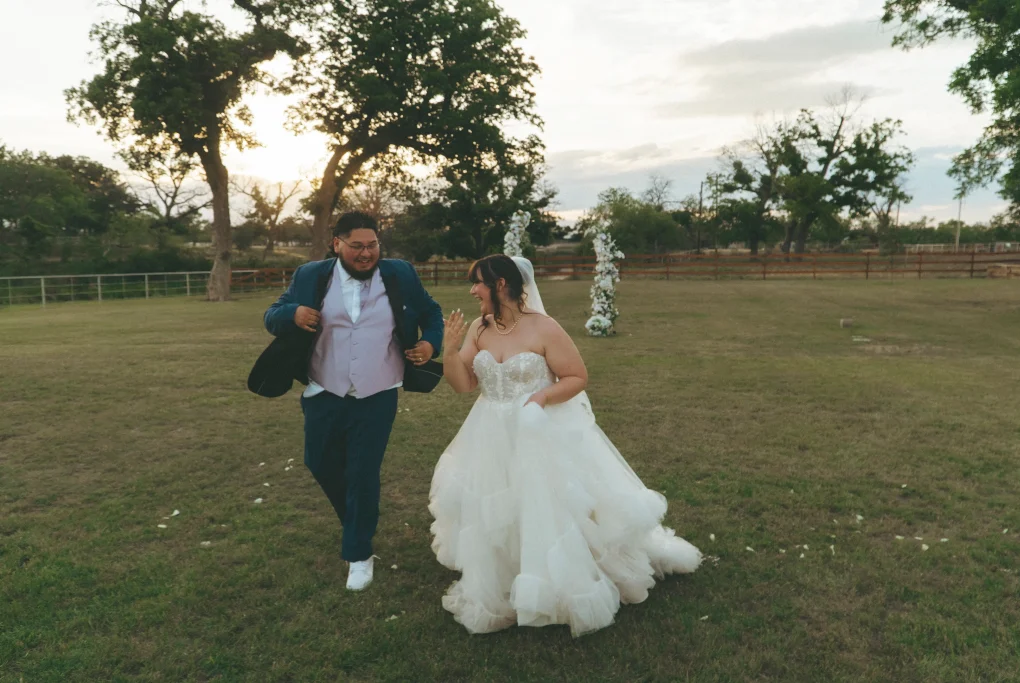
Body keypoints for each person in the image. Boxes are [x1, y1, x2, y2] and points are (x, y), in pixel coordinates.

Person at [429, 254, 702, 637]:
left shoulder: (544, 328)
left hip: (539, 431)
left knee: (546, 505)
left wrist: (540, 399)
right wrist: (451, 349)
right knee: (497, 506)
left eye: (477, 282)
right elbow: (464, 385)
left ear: (501, 285)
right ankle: (506, 571)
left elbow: (576, 376)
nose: (472, 290)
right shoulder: (479, 328)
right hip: (489, 432)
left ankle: (556, 578)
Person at [256, 211, 444, 591]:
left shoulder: (400, 273)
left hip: (379, 391)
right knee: (318, 461)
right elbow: (271, 315)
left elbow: (431, 313)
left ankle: (358, 553)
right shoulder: (310, 275)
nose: (366, 254)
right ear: (336, 244)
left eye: (372, 245)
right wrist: (293, 313)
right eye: (356, 246)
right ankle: (359, 521)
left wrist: (429, 343)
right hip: (324, 389)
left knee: (362, 471)